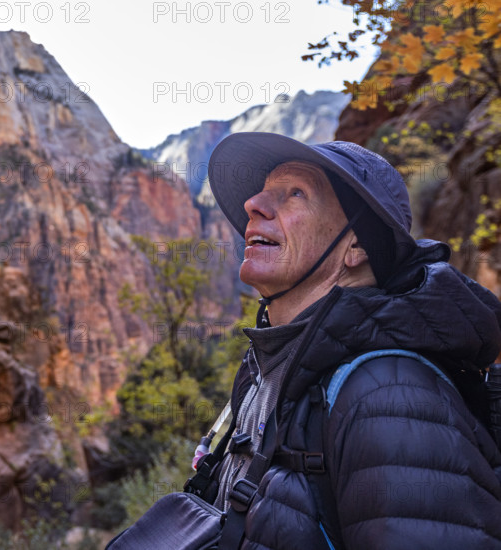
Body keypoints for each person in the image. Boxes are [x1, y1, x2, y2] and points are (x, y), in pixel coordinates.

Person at [205, 132, 501, 549]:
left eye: (294, 194)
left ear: (357, 245)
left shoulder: (391, 395)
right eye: (263, 192)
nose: (253, 204)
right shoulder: (275, 367)